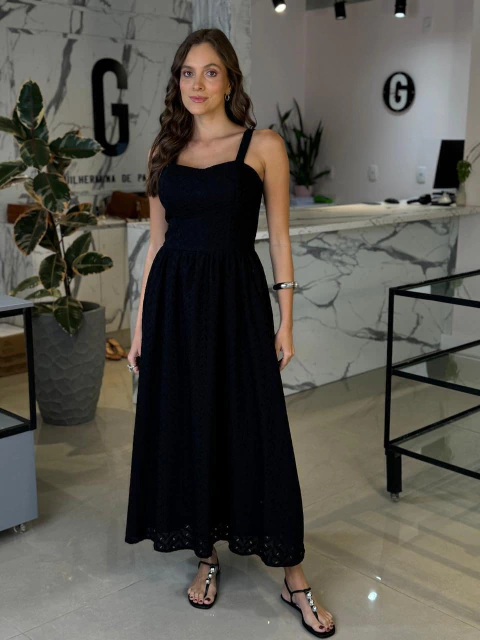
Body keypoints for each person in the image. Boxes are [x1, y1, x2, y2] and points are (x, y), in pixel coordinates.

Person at [124, 27, 335, 638]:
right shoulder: (164, 149)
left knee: (258, 430)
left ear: (230, 80)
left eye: (210, 72)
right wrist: (139, 327)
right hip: (174, 308)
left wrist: (287, 318)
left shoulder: (262, 145)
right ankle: (206, 555)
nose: (197, 84)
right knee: (192, 425)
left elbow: (280, 237)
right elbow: (156, 246)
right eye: (187, 72)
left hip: (236, 305)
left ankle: (294, 576)